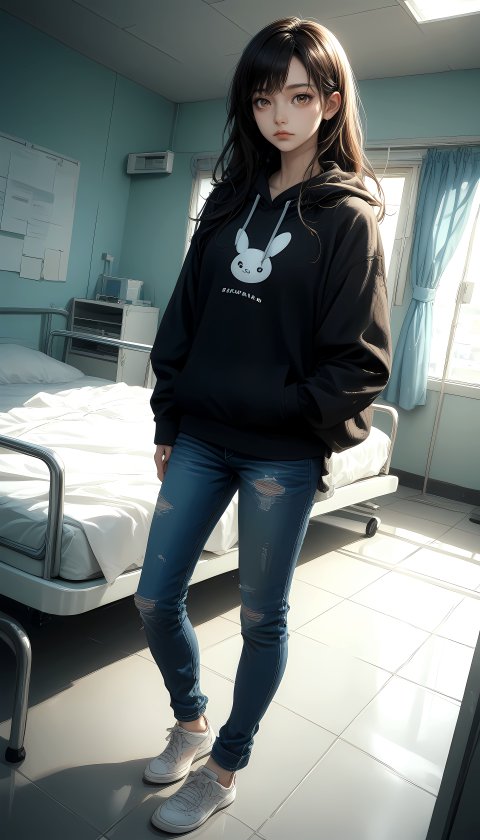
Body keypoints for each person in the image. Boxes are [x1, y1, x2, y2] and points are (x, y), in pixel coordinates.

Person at [135, 16, 391, 835]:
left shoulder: (348, 218)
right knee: (154, 597)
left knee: (260, 619)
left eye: (299, 96)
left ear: (331, 101)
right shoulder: (226, 200)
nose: (279, 115)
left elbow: (360, 364)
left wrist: (277, 410)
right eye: (262, 97)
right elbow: (184, 317)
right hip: (201, 438)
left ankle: (223, 768)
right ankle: (191, 721)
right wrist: (169, 413)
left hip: (281, 455)